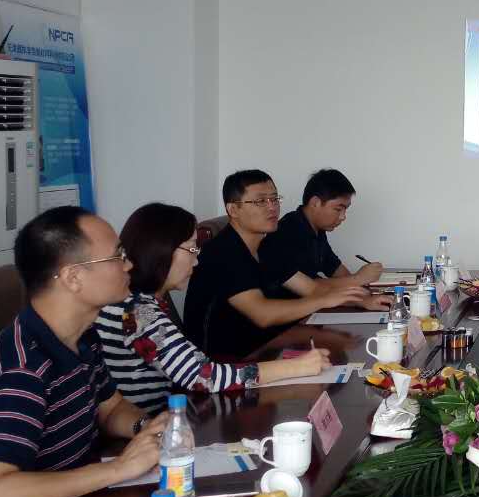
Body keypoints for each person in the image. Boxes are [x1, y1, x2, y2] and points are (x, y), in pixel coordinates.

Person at [0, 207, 170, 497]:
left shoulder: (82, 335)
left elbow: (110, 408)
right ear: (73, 278)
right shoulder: (22, 368)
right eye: (117, 256)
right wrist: (119, 468)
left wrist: (149, 429)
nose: (128, 265)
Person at [96, 203, 333, 414]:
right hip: (149, 429)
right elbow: (203, 376)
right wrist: (297, 367)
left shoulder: (139, 300)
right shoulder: (137, 312)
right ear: (161, 251)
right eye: (191, 249)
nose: (196, 260)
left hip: (170, 416)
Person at [183, 170, 368, 358]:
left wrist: (358, 301)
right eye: (260, 201)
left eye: (274, 199)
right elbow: (263, 314)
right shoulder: (224, 252)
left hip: (263, 344)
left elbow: (310, 288)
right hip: (219, 364)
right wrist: (323, 301)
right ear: (233, 210)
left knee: (345, 353)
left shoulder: (267, 247)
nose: (272, 207)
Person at [260, 169, 383, 298]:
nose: (343, 217)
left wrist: (363, 283)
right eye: (338, 209)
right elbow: (310, 286)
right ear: (315, 203)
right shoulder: (289, 231)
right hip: (288, 307)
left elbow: (335, 269)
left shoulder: (317, 229)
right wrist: (358, 279)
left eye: (345, 210)